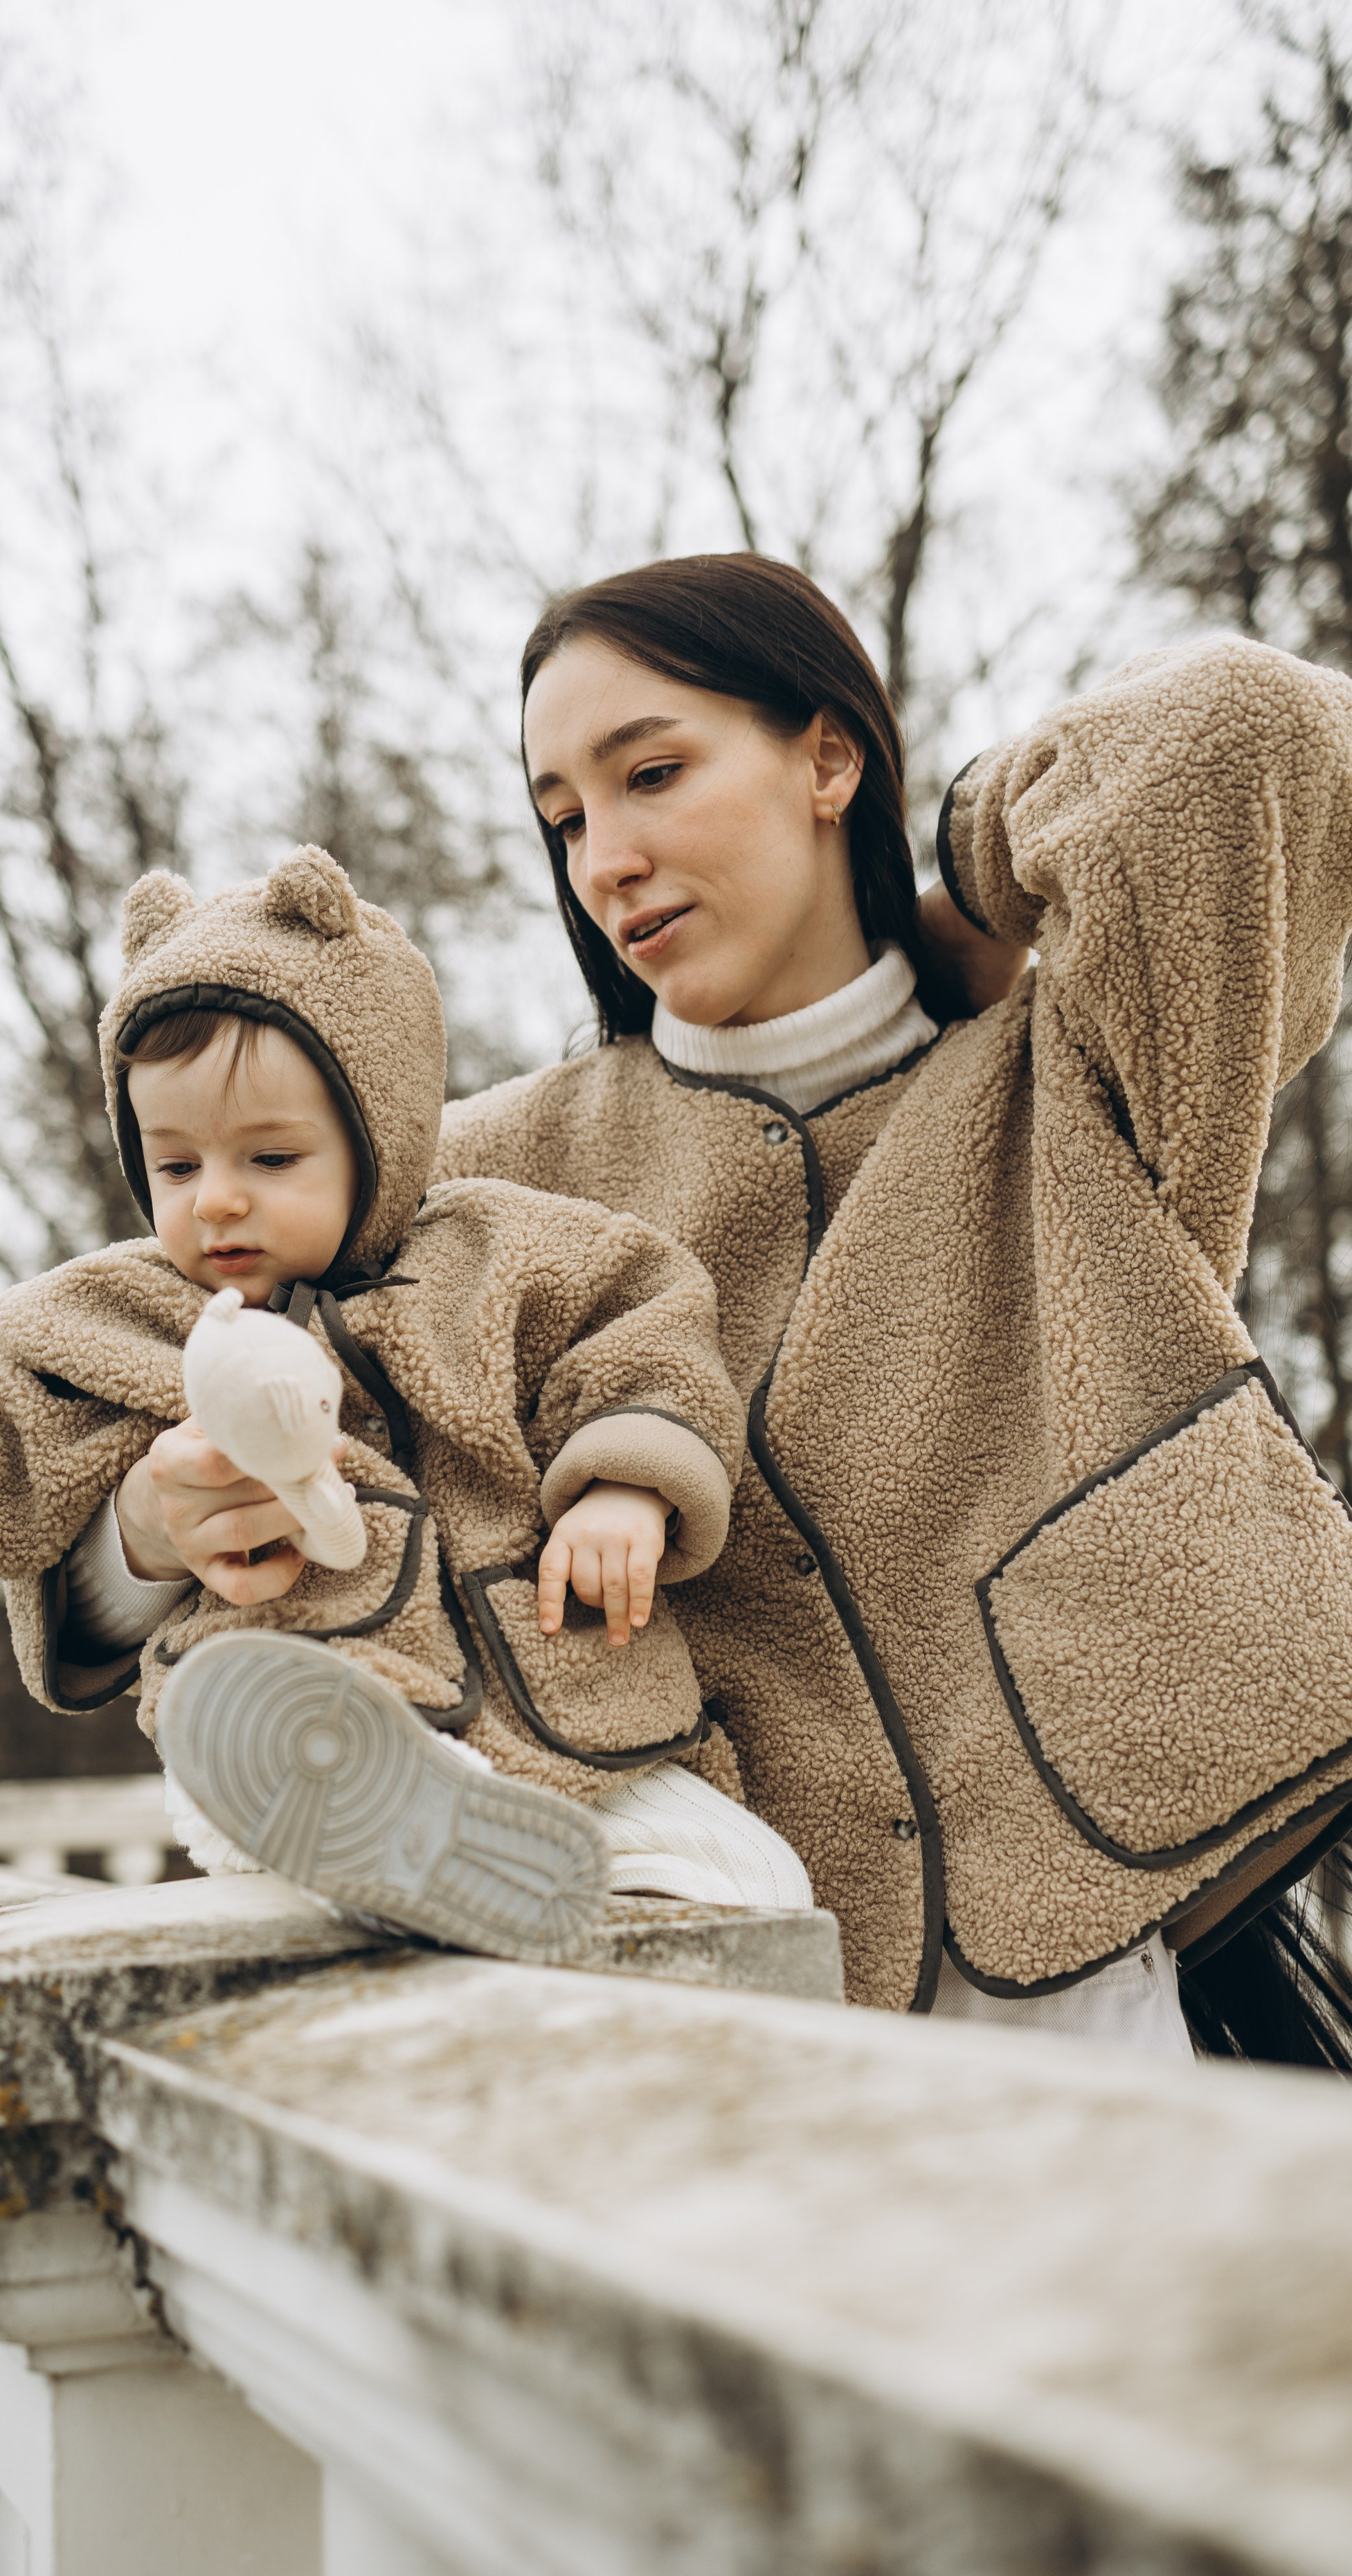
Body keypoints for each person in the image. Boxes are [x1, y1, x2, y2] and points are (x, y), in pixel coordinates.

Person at [414, 550, 1352, 2064]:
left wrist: (966, 884)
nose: (604, 860)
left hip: (1094, 1988)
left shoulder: (1077, 1073)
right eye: (564, 818)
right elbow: (203, 1362)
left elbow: (1252, 729)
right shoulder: (500, 1170)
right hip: (726, 2018)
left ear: (827, 755)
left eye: (649, 773)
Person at [0, 846, 811, 1962]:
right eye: (173, 1167)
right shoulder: (122, 1318)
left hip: (562, 1728)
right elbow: (6, 1456)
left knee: (756, 1881)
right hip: (282, 1720)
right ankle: (390, 1819)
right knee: (279, 1807)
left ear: (381, 1136)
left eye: (270, 1155)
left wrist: (623, 1488)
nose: (216, 1201)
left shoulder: (504, 1256)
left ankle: (456, 1859)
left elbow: (640, 1329)